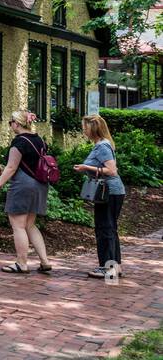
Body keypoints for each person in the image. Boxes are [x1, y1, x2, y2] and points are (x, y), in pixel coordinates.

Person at [0, 110, 52, 274]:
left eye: (11, 122)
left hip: (23, 185)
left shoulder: (19, 142)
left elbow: (11, 167)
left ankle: (21, 263)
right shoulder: (39, 139)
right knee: (30, 225)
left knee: (18, 226)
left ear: (17, 124)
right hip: (40, 184)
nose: (10, 125)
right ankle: (45, 261)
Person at [72, 114, 127, 279]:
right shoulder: (102, 144)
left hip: (109, 192)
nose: (83, 130)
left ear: (93, 128)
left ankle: (108, 268)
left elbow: (111, 170)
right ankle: (115, 266)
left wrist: (85, 167)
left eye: (85, 127)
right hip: (111, 192)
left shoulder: (102, 146)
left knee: (105, 229)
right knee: (110, 228)